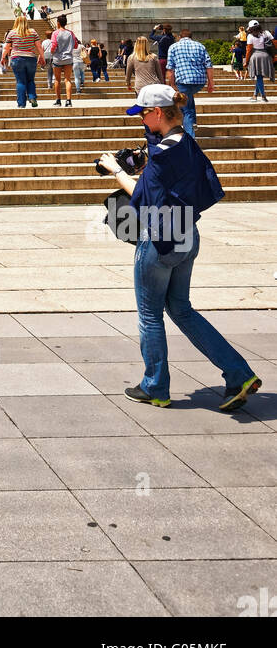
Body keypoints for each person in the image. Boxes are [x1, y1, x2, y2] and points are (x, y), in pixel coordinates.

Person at [99, 84, 261, 412]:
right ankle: (238, 373)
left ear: (158, 113)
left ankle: (155, 386)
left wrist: (117, 171)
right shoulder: (186, 141)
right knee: (182, 309)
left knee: (149, 314)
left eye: (143, 113)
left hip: (160, 241)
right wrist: (145, 166)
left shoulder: (161, 155)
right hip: (188, 234)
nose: (141, 119)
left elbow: (145, 202)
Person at [166, 30, 214, 138]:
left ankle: (190, 138)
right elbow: (209, 65)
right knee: (188, 98)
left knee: (186, 110)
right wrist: (211, 83)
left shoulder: (173, 47)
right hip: (199, 81)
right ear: (191, 37)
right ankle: (194, 123)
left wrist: (172, 84)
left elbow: (170, 69)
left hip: (183, 80)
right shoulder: (200, 46)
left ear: (179, 37)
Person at [1, 15, 45, 108]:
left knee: (20, 81)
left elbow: (6, 47)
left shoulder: (12, 33)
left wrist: (3, 57)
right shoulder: (33, 32)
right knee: (30, 80)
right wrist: (42, 56)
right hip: (30, 58)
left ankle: (21, 103)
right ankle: (32, 97)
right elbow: (39, 46)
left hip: (17, 59)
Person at [49, 14, 77, 107]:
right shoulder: (71, 33)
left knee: (57, 80)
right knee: (68, 80)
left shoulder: (55, 33)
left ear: (58, 23)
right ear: (66, 23)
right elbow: (76, 45)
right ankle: (68, 101)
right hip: (68, 58)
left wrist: (52, 52)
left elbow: (53, 46)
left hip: (57, 59)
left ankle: (58, 100)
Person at [245, 20, 274, 102]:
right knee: (260, 77)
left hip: (256, 57)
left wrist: (246, 61)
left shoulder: (250, 36)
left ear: (250, 28)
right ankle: (254, 95)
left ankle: (263, 96)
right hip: (266, 56)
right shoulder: (266, 33)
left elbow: (249, 50)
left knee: (259, 77)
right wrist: (274, 55)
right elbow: (274, 42)